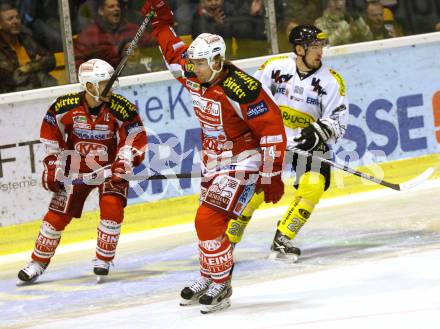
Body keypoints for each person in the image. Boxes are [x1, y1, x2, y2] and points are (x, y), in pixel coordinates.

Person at [141, 0, 286, 314]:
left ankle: (222, 283)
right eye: (194, 64)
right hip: (213, 161)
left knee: (207, 218)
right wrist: (162, 24)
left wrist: (272, 174)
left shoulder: (242, 88)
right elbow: (172, 53)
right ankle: (208, 275)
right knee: (210, 223)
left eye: (202, 63)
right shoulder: (195, 73)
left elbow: (272, 129)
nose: (195, 69)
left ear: (219, 61)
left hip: (244, 160)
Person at [16, 58, 147, 285]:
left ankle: (103, 260)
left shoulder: (121, 107)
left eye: (111, 81)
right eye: (105, 83)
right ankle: (37, 263)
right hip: (74, 168)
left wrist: (124, 161)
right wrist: (52, 164)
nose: (111, 87)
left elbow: (134, 136)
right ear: (88, 85)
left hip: (108, 168)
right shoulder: (63, 106)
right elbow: (51, 135)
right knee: (56, 216)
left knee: (112, 206)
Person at [226, 25, 348, 262]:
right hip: (272, 138)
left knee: (314, 185)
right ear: (299, 49)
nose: (319, 51)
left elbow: (339, 120)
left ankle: (283, 237)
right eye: (314, 46)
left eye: (321, 46)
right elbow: (250, 98)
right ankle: (230, 237)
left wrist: (320, 130)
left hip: (307, 143)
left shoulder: (331, 81)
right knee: (257, 187)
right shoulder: (275, 67)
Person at [74, 0, 156, 71]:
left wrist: (141, 53)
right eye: (111, 6)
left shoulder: (131, 29)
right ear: (101, 11)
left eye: (117, 6)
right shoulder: (91, 35)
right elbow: (77, 60)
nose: (116, 9)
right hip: (105, 84)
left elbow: (155, 45)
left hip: (133, 78)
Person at [0, 2, 56, 93]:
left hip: (35, 88)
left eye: (17, 18)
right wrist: (38, 65)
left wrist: (29, 68)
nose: (15, 22)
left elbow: (51, 60)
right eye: (10, 19)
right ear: (0, 24)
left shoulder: (26, 39)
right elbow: (13, 77)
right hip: (10, 95)